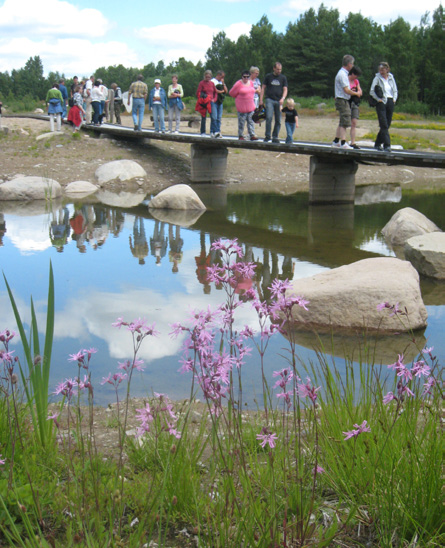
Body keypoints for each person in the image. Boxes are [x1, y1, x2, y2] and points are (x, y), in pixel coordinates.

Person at [332, 55, 361, 149]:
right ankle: (343, 142)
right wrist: (356, 93)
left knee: (342, 120)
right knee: (345, 120)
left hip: (344, 99)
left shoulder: (344, 74)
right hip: (342, 99)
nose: (353, 65)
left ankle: (336, 141)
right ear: (349, 64)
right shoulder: (342, 74)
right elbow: (346, 90)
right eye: (352, 63)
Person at [369, 62, 398, 152]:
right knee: (383, 124)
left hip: (390, 101)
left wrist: (394, 99)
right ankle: (387, 145)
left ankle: (377, 143)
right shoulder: (377, 78)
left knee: (387, 123)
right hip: (381, 102)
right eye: (380, 70)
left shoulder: (391, 78)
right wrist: (378, 99)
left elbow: (395, 90)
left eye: (383, 69)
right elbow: (372, 91)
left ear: (387, 69)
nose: (381, 71)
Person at [260, 62, 288, 143]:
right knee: (269, 117)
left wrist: (283, 98)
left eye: (280, 69)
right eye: (278, 69)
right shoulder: (268, 76)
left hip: (279, 100)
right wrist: (261, 100)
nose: (279, 71)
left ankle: (275, 136)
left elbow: (285, 89)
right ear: (274, 68)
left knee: (278, 119)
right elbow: (263, 88)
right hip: (269, 99)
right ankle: (267, 135)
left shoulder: (283, 78)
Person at [229, 70, 258, 141]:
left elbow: (253, 91)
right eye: (244, 77)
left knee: (251, 122)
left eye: (247, 77)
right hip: (242, 107)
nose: (246, 78)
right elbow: (231, 93)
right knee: (241, 122)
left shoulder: (251, 83)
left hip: (250, 106)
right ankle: (241, 135)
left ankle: (252, 134)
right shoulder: (238, 84)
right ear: (242, 77)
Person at [195, 70, 217, 136]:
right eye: (206, 77)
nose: (208, 78)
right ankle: (203, 132)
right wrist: (202, 98)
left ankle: (212, 131)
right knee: (203, 117)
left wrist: (214, 99)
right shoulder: (201, 83)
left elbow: (215, 93)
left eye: (209, 77)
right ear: (204, 76)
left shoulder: (212, 84)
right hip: (204, 102)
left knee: (213, 117)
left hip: (211, 102)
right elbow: (198, 92)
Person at [210, 70, 228, 138]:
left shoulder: (221, 82)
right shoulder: (213, 81)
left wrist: (223, 84)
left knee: (219, 118)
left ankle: (218, 131)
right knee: (214, 117)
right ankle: (213, 131)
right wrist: (221, 91)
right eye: (222, 76)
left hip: (220, 101)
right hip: (214, 100)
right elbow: (214, 90)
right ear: (218, 75)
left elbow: (226, 91)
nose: (222, 78)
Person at [348, 66, 362, 149]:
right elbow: (347, 91)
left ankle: (353, 142)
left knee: (354, 122)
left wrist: (357, 93)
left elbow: (360, 91)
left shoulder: (356, 81)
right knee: (345, 122)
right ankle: (341, 140)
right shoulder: (346, 80)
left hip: (355, 103)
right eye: (356, 75)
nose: (356, 77)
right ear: (352, 73)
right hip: (347, 102)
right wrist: (355, 93)